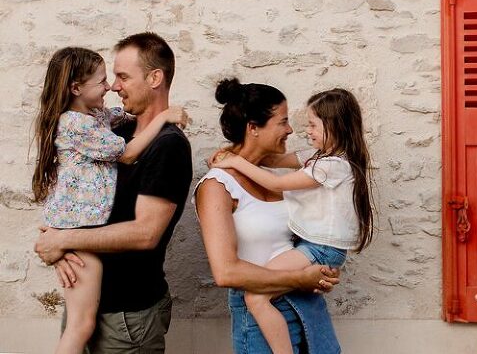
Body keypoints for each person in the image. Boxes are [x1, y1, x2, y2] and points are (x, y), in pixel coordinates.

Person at [35, 32, 193, 353]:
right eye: (110, 78)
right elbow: (73, 192)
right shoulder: (110, 129)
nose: (114, 87)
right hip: (88, 301)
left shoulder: (168, 145)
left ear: (154, 78)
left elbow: (145, 233)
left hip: (127, 319)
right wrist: (56, 243)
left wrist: (63, 240)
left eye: (122, 77)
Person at [212, 88, 374, 354]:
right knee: (258, 296)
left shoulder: (332, 165)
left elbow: (276, 181)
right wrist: (231, 154)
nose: (304, 131)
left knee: (255, 296)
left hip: (319, 249)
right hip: (315, 247)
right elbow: (272, 158)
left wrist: (234, 163)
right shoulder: (319, 157)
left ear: (333, 127)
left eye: (312, 125)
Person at [194, 78, 342, 354]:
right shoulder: (217, 186)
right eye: (283, 121)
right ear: (253, 128)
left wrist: (321, 271)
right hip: (260, 316)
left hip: (309, 309)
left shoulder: (275, 178)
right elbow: (226, 272)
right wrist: (300, 278)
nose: (290, 129)